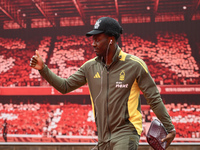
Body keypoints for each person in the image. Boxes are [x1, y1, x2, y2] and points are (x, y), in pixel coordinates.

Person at [30, 17, 176, 150]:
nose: (93, 44)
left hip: (126, 133)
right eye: (93, 40)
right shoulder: (89, 67)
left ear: (111, 39)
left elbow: (154, 99)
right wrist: (43, 69)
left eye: (97, 39)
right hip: (103, 139)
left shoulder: (135, 65)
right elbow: (65, 86)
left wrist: (170, 128)